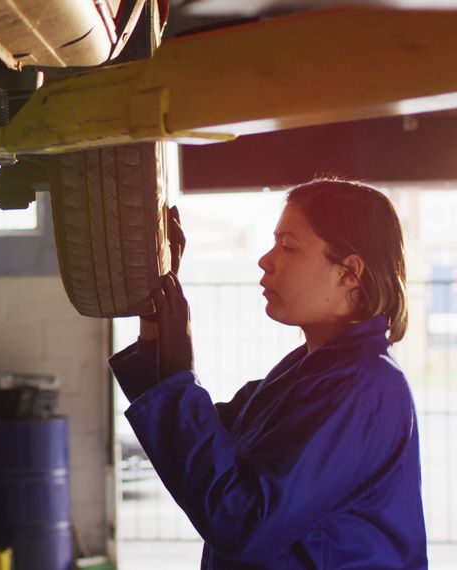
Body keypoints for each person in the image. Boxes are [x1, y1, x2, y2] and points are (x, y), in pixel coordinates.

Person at [109, 179, 427, 569]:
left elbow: (242, 521)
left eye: (288, 245)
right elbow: (212, 447)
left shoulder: (363, 388)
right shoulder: (310, 369)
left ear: (349, 274)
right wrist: (156, 321)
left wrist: (178, 374)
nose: (266, 259)